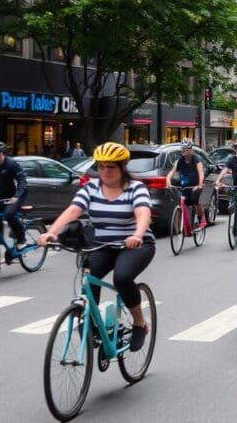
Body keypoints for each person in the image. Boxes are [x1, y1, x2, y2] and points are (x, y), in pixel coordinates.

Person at [38, 142, 154, 351]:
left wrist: (137, 234)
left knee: (122, 277)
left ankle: (139, 323)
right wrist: (52, 232)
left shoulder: (136, 188)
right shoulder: (91, 187)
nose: (105, 171)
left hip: (135, 245)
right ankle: (96, 327)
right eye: (101, 166)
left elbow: (143, 213)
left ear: (122, 167)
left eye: (110, 167)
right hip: (102, 244)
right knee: (89, 280)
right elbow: (73, 210)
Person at [166, 140, 206, 228]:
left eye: (187, 149)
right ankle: (186, 224)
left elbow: (201, 172)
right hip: (185, 186)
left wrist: (199, 184)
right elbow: (171, 173)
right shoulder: (179, 161)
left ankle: (201, 219)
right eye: (183, 149)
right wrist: (168, 180)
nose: (184, 151)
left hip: (196, 186)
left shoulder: (196, 160)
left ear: (191, 150)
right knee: (183, 202)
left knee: (195, 200)